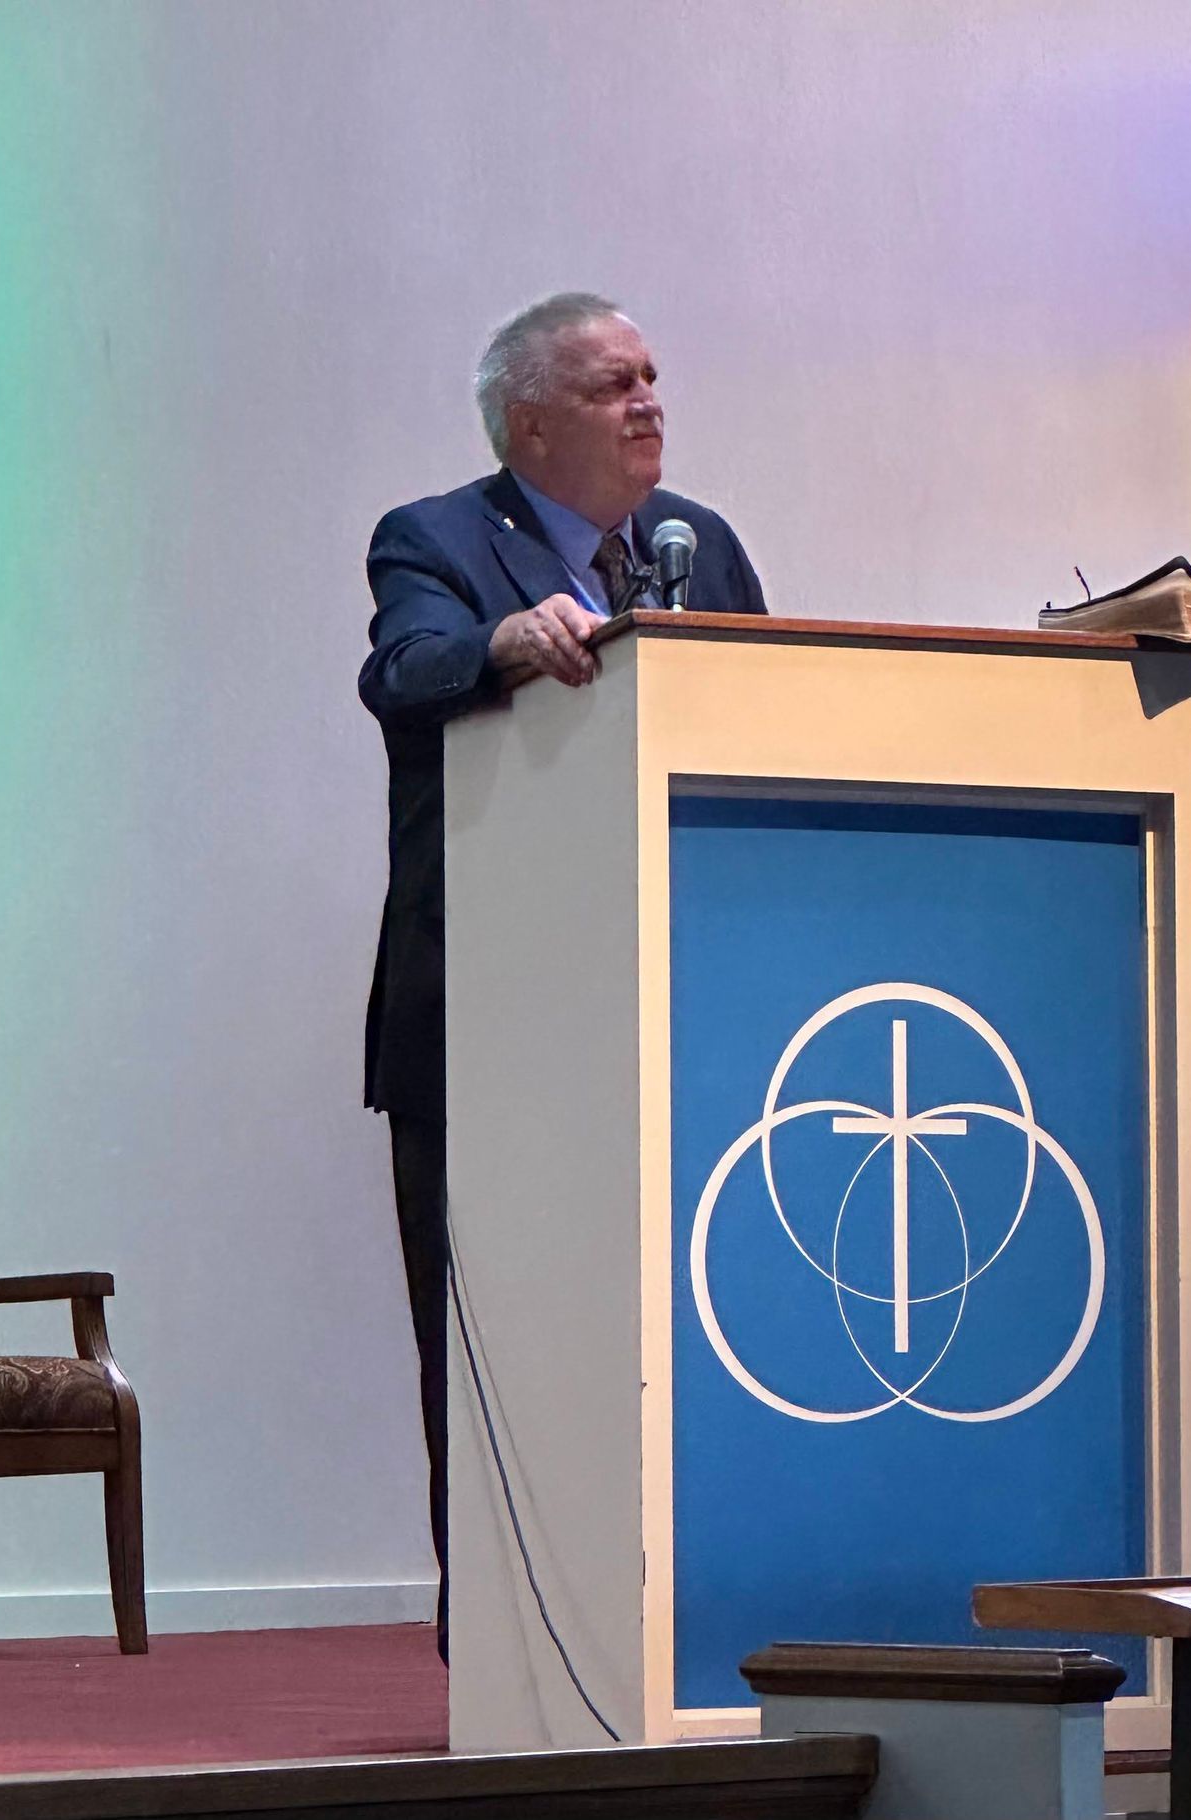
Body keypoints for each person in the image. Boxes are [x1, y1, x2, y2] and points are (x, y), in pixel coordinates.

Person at [357, 292, 767, 1661]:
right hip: (488, 1021)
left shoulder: (696, 546)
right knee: (492, 1363)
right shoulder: (438, 539)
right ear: (531, 421)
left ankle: (684, 1624)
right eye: (613, 386)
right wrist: (500, 645)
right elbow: (404, 671)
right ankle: (500, 1657)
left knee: (672, 1340)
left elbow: (766, 718)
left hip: (676, 1019)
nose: (650, 402)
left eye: (654, 377)